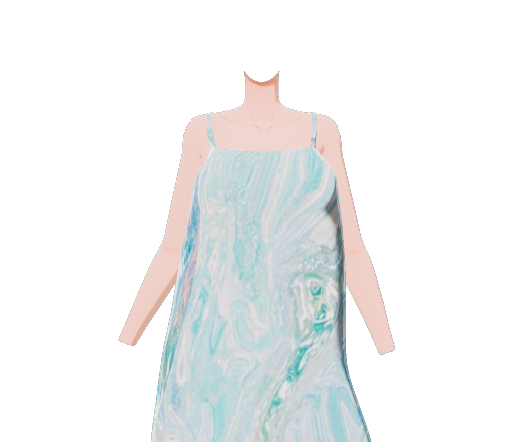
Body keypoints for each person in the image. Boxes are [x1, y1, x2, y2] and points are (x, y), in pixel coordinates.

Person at [119, 71, 395, 441]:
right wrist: (127, 340)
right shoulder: (202, 132)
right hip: (213, 359)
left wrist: (386, 348)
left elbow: (353, 247)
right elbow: (173, 246)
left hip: (300, 358)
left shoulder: (322, 133)